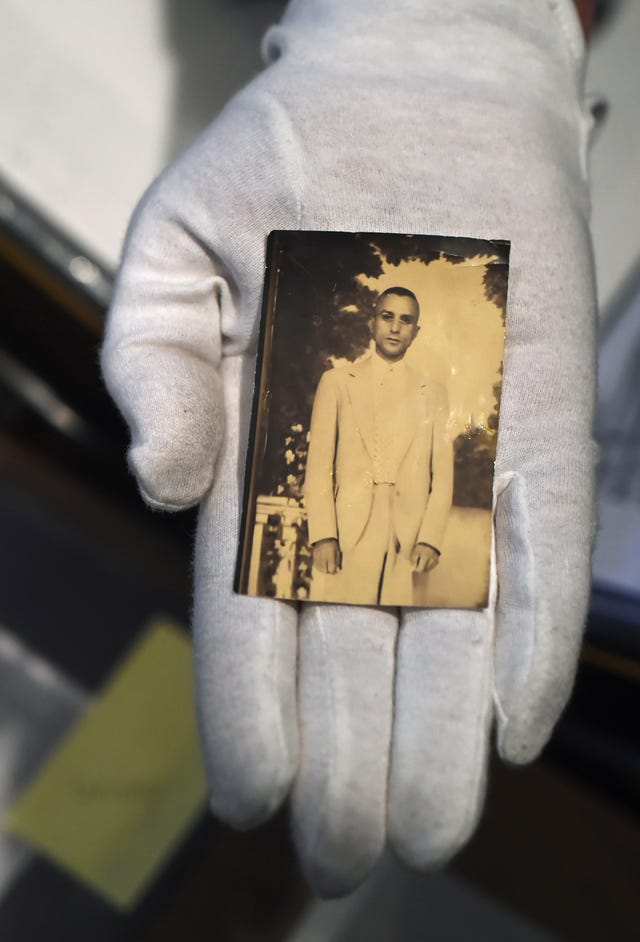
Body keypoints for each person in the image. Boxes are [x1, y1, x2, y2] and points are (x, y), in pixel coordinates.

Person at [305, 287, 453, 605]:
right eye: (387, 317)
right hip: (350, 528)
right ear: (372, 323)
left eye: (406, 320)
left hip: (408, 535)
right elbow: (318, 467)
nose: (395, 328)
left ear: (416, 331)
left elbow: (442, 478)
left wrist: (430, 539)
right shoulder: (337, 382)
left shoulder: (433, 393)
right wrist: (323, 534)